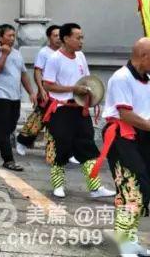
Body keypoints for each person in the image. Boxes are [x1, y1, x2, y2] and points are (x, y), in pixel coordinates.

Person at [91, 38, 150, 255]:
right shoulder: (121, 77)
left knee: (143, 188)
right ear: (144, 56)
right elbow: (126, 114)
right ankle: (124, 242)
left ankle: (131, 239)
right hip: (123, 136)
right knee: (129, 188)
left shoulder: (147, 78)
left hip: (143, 137)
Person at [42, 23, 115, 199]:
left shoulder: (81, 56)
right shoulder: (55, 59)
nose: (81, 41)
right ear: (66, 39)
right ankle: (58, 186)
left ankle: (95, 187)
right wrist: (74, 88)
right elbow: (47, 84)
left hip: (80, 109)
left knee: (87, 146)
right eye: (78, 37)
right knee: (61, 147)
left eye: (82, 37)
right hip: (62, 109)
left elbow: (87, 80)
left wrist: (91, 95)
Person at [0, 24, 36, 172]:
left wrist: (31, 92)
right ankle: (8, 160)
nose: (12, 39)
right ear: (0, 38)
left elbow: (23, 74)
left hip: (15, 96)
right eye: (9, 36)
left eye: (13, 36)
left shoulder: (17, 53)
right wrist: (4, 55)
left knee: (9, 127)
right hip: (0, 96)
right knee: (4, 129)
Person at [16, 25, 64, 156]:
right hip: (47, 92)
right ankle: (22, 141)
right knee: (38, 119)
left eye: (60, 35)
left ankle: (60, 151)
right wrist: (41, 89)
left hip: (62, 93)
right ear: (49, 37)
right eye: (55, 36)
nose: (58, 38)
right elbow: (37, 71)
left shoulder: (66, 52)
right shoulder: (44, 52)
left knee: (61, 123)